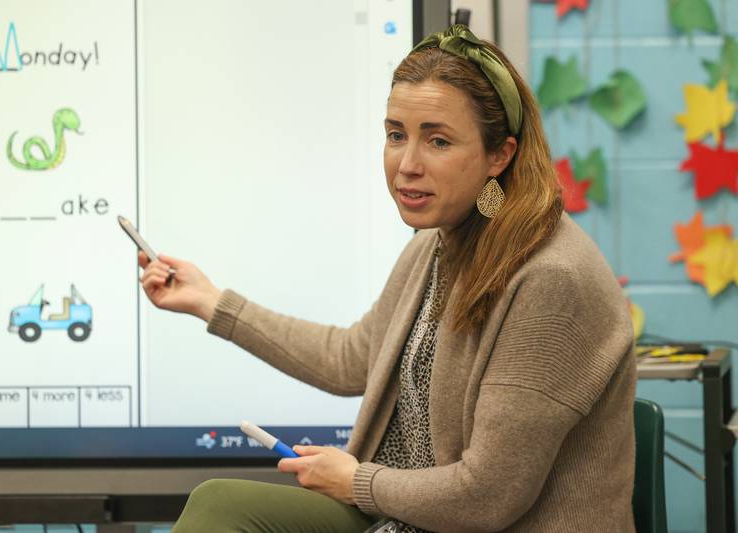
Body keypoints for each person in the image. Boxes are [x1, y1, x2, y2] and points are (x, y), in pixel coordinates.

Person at [139, 24, 636, 533]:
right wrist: (211, 301)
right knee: (218, 502)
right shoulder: (439, 240)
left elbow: (488, 496)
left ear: (499, 155)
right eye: (396, 135)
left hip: (470, 523)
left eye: (438, 141)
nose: (407, 165)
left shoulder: (552, 279)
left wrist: (358, 481)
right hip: (404, 519)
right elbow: (353, 358)